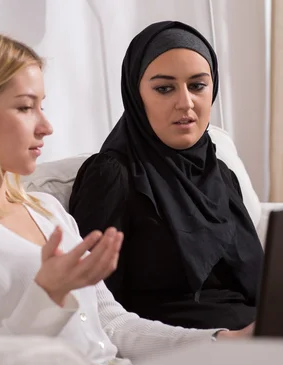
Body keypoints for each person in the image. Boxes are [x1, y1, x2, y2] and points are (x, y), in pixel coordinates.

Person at [0, 31, 252, 365]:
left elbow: (113, 325)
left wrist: (220, 342)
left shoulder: (46, 210)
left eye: (42, 107)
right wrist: (46, 294)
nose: (46, 126)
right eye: (24, 108)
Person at [69, 21, 264, 331]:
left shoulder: (221, 173)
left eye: (198, 86)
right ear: (136, 94)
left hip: (258, 335)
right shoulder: (112, 175)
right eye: (164, 88)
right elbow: (94, 304)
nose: (185, 102)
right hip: (178, 348)